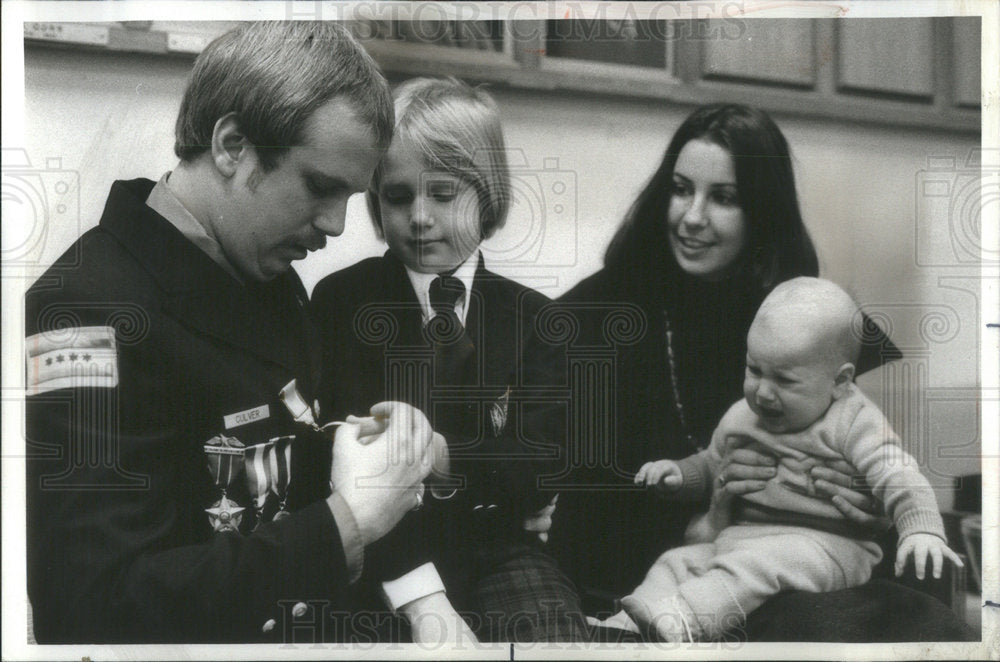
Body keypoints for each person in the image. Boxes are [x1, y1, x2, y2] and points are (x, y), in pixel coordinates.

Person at [24, 22, 436, 644]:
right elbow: (89, 606)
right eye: (321, 187)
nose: (333, 225)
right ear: (232, 144)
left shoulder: (268, 275)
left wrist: (364, 452)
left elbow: (269, 459)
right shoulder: (82, 310)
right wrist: (343, 524)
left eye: (352, 197)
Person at [515, 103, 972, 641]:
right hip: (645, 563)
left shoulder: (795, 309)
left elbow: (865, 446)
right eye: (681, 189)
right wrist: (706, 494)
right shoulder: (595, 314)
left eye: (724, 198)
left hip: (795, 557)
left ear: (762, 211)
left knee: (918, 621)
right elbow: (574, 496)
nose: (691, 216)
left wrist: (865, 504)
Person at [310, 77, 586, 642]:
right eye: (398, 196)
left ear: (487, 199)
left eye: (443, 195)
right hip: (384, 554)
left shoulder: (535, 318)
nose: (418, 217)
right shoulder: (344, 301)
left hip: (497, 548)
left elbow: (543, 462)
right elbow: (350, 441)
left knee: (552, 634)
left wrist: (443, 457)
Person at [613, 277, 963, 641]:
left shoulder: (854, 421)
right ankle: (626, 627)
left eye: (784, 379)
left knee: (761, 565)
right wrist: (678, 476)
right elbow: (711, 463)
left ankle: (687, 621)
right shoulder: (741, 415)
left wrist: (920, 528)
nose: (763, 392)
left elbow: (898, 472)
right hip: (743, 539)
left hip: (826, 549)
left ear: (840, 381)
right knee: (676, 563)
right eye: (754, 370)